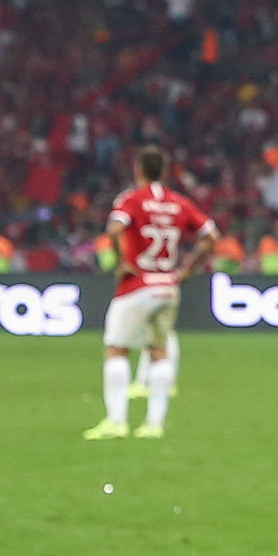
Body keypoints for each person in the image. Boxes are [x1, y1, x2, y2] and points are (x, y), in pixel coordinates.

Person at [84, 147, 218, 440]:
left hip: (137, 285)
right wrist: (187, 269)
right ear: (165, 172)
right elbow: (211, 236)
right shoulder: (180, 203)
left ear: (138, 170)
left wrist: (121, 262)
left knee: (117, 349)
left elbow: (116, 229)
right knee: (159, 352)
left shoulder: (130, 199)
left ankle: (117, 422)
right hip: (168, 285)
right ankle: (154, 425)